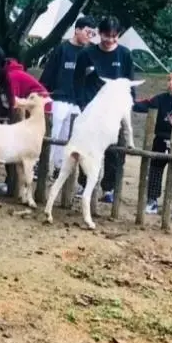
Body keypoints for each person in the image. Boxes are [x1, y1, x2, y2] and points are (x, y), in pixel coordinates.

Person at [73, 16, 135, 203]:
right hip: (92, 109)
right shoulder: (86, 54)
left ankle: (109, 188)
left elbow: (129, 84)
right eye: (107, 36)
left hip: (114, 112)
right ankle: (84, 184)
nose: (110, 40)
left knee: (114, 150)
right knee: (89, 148)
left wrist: (129, 105)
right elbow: (77, 81)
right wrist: (83, 104)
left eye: (115, 36)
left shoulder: (125, 54)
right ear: (99, 34)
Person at [0, 45, 49, 196]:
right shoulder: (3, 78)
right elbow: (3, 106)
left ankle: (19, 186)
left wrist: (2, 129)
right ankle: (11, 183)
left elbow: (15, 105)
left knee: (17, 147)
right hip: (22, 116)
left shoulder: (12, 77)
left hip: (37, 114)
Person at [39, 15, 97, 179]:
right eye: (87, 32)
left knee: (69, 138)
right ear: (77, 30)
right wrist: (43, 93)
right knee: (53, 134)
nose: (89, 36)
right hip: (58, 99)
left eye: (92, 34)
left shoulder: (89, 54)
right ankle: (41, 166)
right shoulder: (62, 49)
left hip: (77, 103)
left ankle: (59, 168)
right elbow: (49, 73)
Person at [133, 68, 172, 221]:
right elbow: (141, 105)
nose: (170, 82)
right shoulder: (159, 99)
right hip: (160, 140)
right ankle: (152, 200)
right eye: (169, 79)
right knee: (155, 170)